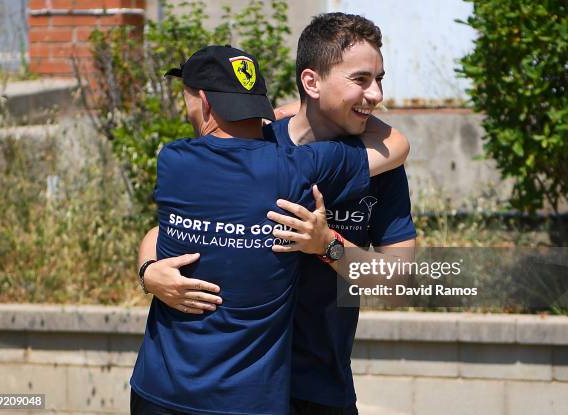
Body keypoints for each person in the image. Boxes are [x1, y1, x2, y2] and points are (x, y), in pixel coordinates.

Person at [130, 44, 409, 415]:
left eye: (379, 80)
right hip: (251, 393)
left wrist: (329, 245)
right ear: (310, 81)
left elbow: (398, 280)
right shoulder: (288, 159)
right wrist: (150, 273)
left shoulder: (178, 157)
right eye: (361, 80)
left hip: (318, 388)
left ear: (206, 105)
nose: (376, 94)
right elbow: (164, 231)